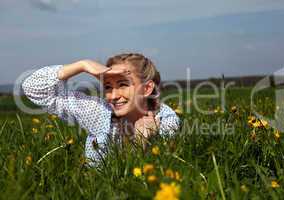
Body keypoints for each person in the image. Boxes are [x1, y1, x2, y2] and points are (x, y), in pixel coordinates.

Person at [22, 53, 180, 167]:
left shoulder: (165, 121)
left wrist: (143, 140)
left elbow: (142, 177)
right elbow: (33, 89)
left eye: (123, 84)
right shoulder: (100, 112)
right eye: (108, 87)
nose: (113, 96)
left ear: (146, 89)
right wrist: (82, 65)